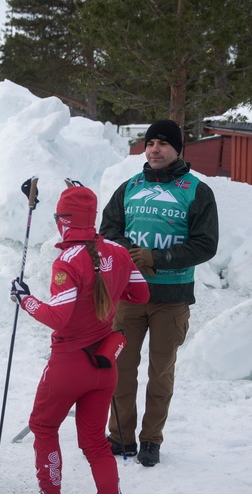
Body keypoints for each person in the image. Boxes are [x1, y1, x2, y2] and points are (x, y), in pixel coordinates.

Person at [12, 184, 150, 494]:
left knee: (43, 426)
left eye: (59, 217)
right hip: (104, 364)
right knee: (95, 443)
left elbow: (58, 317)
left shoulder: (69, 260)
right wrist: (108, 295)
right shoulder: (118, 252)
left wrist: (24, 299)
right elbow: (141, 294)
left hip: (69, 364)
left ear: (65, 221)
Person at [100, 120, 219, 467]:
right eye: (150, 142)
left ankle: (151, 439)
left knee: (161, 372)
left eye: (163, 143)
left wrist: (157, 257)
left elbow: (205, 245)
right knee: (121, 368)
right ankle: (120, 437)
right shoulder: (129, 188)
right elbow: (108, 231)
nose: (155, 149)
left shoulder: (196, 191)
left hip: (172, 299)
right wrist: (129, 253)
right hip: (128, 297)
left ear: (178, 149)